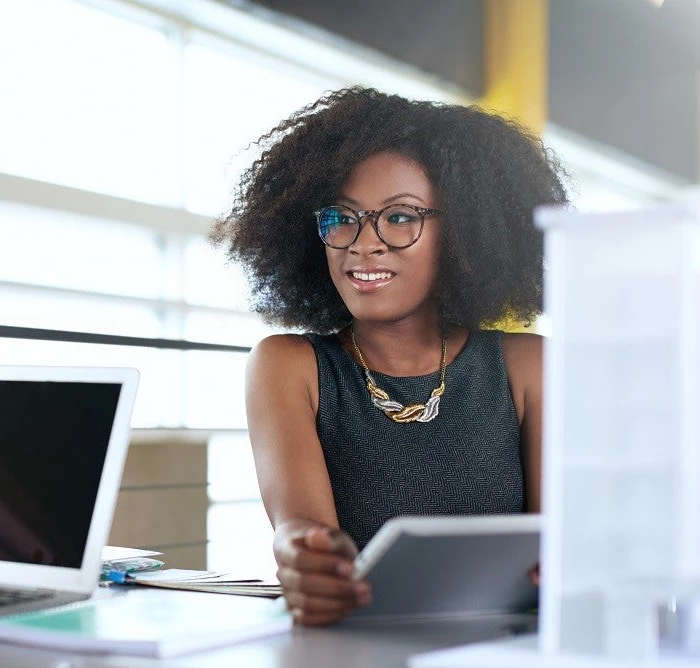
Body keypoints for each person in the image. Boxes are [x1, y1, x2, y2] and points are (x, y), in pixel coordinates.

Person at [210, 87, 568, 626]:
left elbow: (552, 546)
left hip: (506, 654)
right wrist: (305, 560)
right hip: (357, 651)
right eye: (342, 217)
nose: (364, 243)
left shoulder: (528, 366)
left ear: (464, 233)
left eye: (400, 218)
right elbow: (301, 528)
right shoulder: (289, 365)